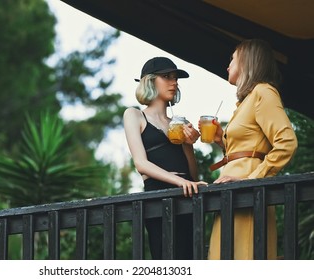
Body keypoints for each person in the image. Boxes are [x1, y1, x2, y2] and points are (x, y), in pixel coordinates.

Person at [205, 39, 298, 260]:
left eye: (233, 59)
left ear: (247, 62)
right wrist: (221, 141)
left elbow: (287, 141)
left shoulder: (263, 92)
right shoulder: (247, 100)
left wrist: (253, 181)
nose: (228, 65)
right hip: (231, 194)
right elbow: (248, 148)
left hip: (248, 194)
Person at [123, 57, 207, 259]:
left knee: (192, 258)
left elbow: (193, 174)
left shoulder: (180, 122)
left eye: (175, 77)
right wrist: (180, 181)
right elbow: (141, 164)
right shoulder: (134, 115)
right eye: (167, 77)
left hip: (188, 195)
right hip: (158, 197)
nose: (174, 82)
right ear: (150, 81)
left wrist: (189, 144)